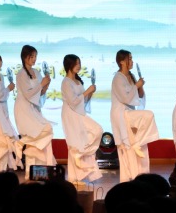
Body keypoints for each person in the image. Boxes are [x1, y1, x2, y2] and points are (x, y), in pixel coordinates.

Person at [110, 49, 160, 182]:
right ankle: (128, 178)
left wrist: (140, 86)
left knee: (138, 141)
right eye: (129, 59)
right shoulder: (118, 78)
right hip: (121, 113)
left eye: (132, 58)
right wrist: (137, 85)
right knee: (127, 146)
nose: (132, 61)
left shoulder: (130, 76)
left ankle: (140, 176)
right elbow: (125, 97)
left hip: (129, 113)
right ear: (122, 62)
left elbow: (139, 96)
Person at [14, 44, 57, 180]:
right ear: (24, 57)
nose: (34, 59)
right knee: (45, 130)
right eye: (31, 56)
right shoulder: (21, 74)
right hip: (24, 109)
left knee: (37, 142)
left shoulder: (37, 73)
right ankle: (21, 142)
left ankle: (36, 174)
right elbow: (28, 94)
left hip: (34, 109)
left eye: (35, 57)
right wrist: (41, 84)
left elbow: (39, 94)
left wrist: (46, 86)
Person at [61, 53, 104, 184]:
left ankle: (77, 166)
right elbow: (73, 101)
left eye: (79, 63)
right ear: (69, 65)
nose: (78, 66)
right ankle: (74, 177)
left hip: (79, 112)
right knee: (75, 141)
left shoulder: (78, 81)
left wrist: (90, 93)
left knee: (96, 131)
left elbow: (83, 101)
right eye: (76, 63)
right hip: (71, 114)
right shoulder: (66, 82)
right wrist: (87, 91)